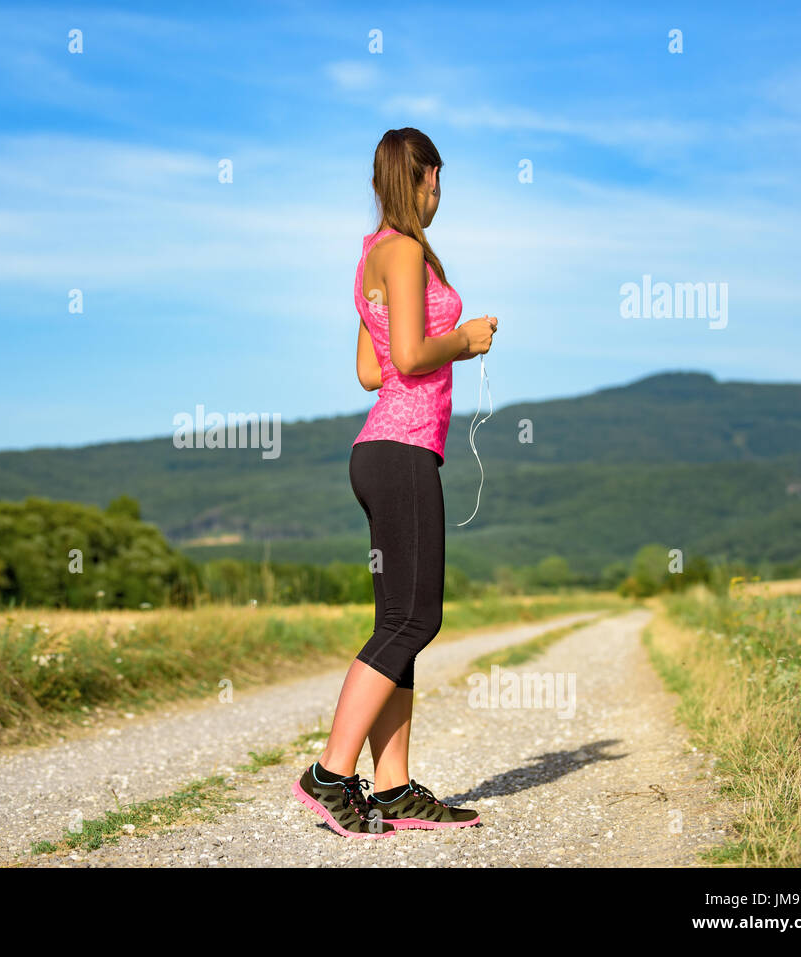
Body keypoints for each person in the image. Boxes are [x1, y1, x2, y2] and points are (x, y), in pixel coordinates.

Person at [292, 128, 497, 838]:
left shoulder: (370, 256)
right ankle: (328, 774)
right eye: (438, 183)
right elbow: (408, 357)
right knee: (417, 620)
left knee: (397, 624)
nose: (440, 196)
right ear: (427, 178)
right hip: (403, 450)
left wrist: (421, 343)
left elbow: (370, 368)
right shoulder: (405, 250)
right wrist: (463, 341)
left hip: (381, 447)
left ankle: (394, 786)